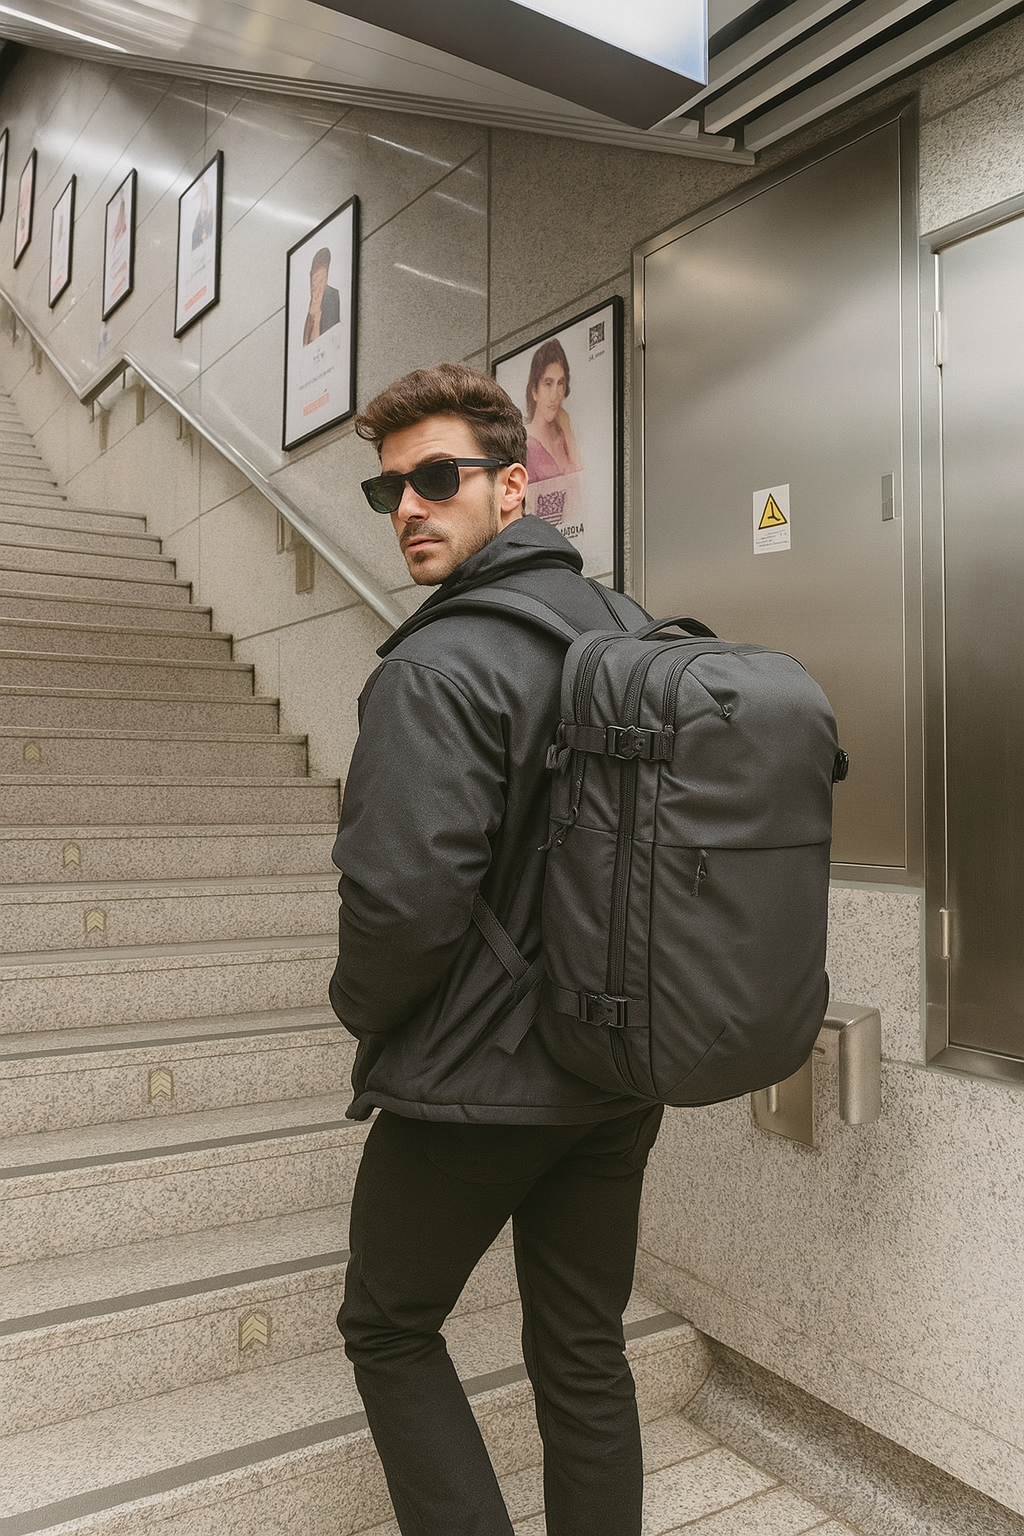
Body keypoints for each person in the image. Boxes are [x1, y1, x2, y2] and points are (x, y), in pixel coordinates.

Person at [329, 362, 663, 1536]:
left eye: (436, 478)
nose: (410, 507)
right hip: (619, 1064)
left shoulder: (434, 665)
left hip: (477, 1083)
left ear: (513, 487)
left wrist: (364, 1013)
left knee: (386, 1323)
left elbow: (400, 909)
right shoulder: (624, 629)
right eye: (389, 492)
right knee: (582, 1343)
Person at [524, 338, 582, 530]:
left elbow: (580, 487)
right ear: (535, 391)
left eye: (560, 383)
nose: (555, 394)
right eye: (548, 383)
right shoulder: (525, 445)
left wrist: (569, 431)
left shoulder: (564, 438)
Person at [302, 246, 341, 345]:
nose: (317, 288)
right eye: (315, 282)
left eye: (321, 281)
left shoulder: (332, 298)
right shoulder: (309, 307)